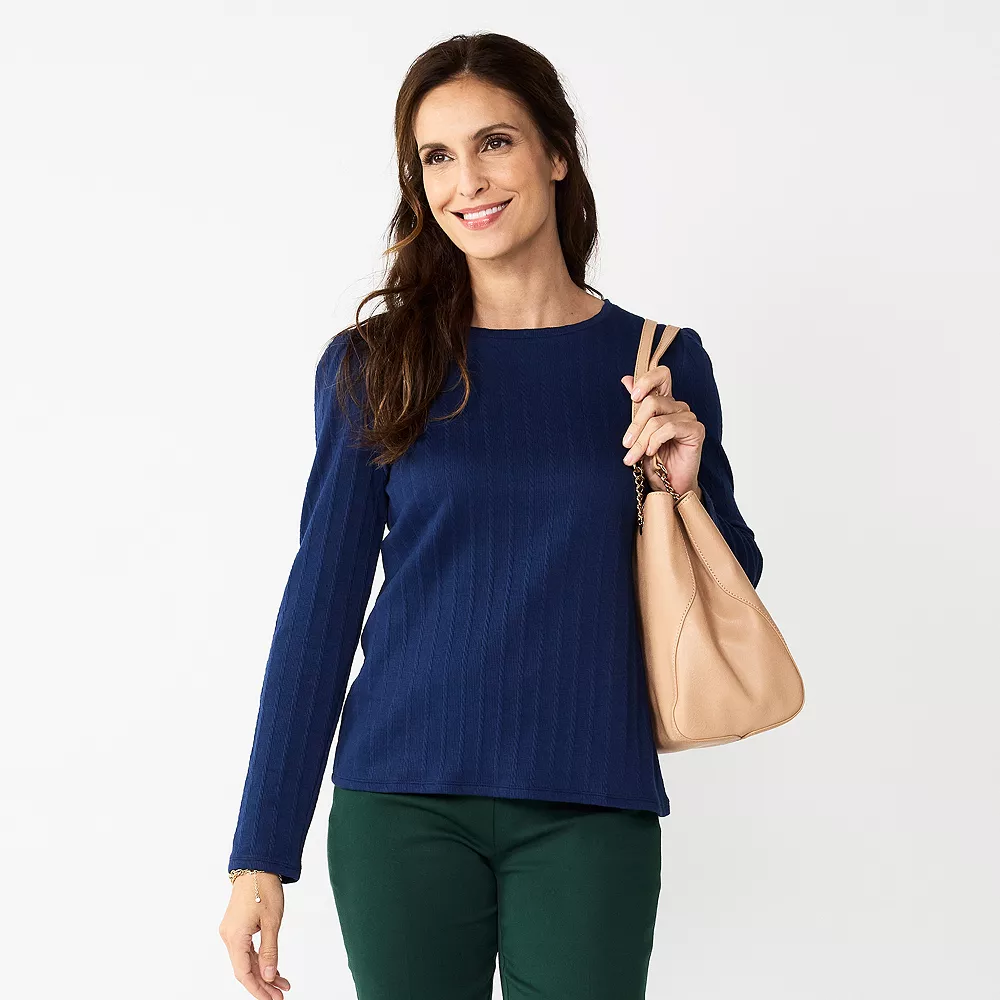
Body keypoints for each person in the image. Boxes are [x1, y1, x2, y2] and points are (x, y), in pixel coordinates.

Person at [218, 31, 763, 1000]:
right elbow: (320, 608)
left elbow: (732, 585)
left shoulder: (659, 359)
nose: (466, 179)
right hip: (401, 801)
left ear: (556, 153)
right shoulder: (375, 365)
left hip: (590, 798)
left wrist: (682, 487)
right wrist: (262, 850)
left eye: (495, 142)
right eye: (436, 155)